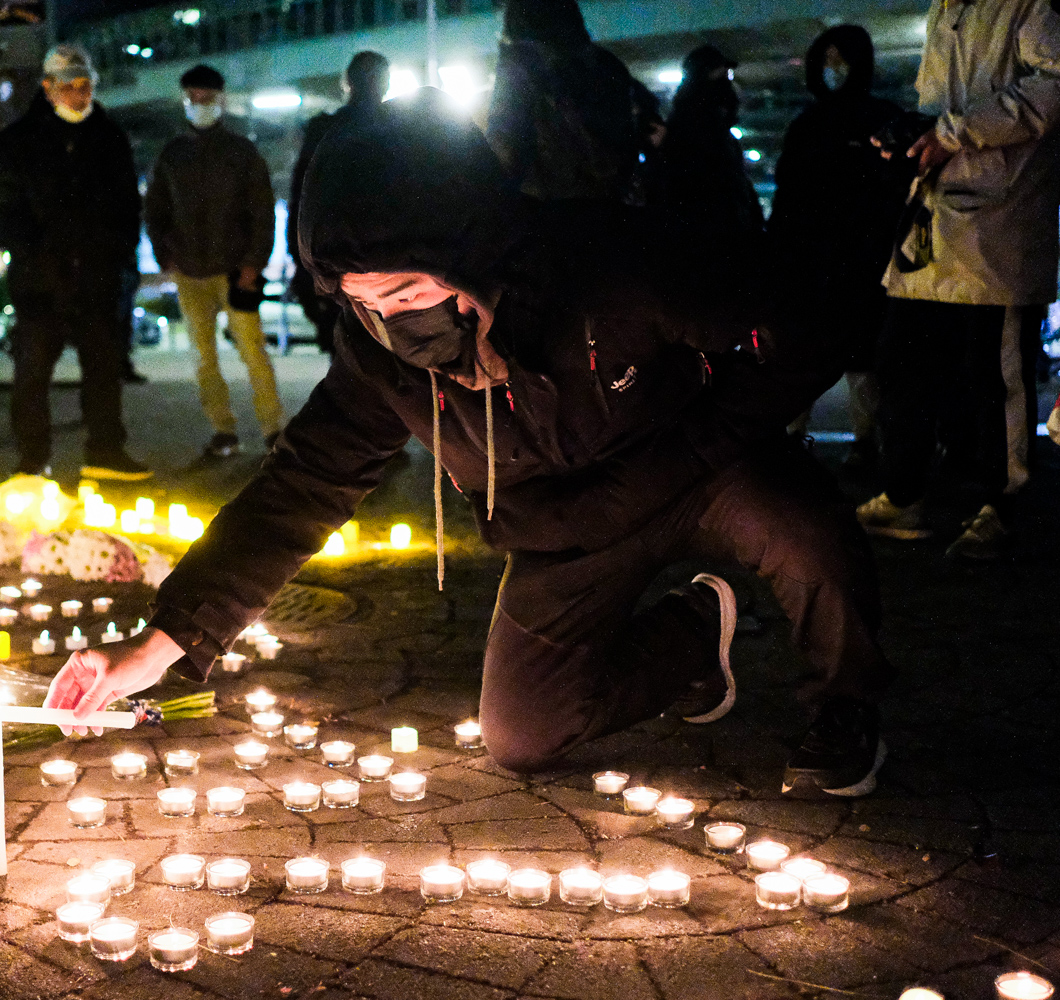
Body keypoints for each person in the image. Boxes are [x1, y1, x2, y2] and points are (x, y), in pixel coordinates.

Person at [45, 94, 896, 800]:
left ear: (474, 251)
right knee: (522, 734)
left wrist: (712, 437)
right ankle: (691, 638)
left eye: (411, 289)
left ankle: (845, 702)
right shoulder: (380, 357)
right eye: (365, 302)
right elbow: (299, 491)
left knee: (806, 534)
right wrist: (165, 644)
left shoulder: (610, 268)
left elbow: (801, 331)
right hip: (569, 526)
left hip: (705, 468)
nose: (395, 321)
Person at [859, 0, 1060, 559]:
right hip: (938, 217)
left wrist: (954, 132)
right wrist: (921, 133)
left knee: (992, 376)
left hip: (1002, 219)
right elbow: (944, 105)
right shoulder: (943, 10)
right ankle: (908, 492)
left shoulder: (1027, 5)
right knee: (903, 361)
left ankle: (1002, 506)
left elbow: (1056, 85)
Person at [0, 44, 151, 481]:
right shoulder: (17, 142)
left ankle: (105, 451)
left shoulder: (108, 137)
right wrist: (34, 247)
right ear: (48, 88)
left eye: (85, 85)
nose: (78, 94)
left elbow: (128, 206)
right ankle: (33, 459)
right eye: (68, 86)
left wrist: (117, 256)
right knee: (33, 372)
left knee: (104, 368)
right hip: (40, 279)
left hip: (97, 276)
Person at [769, 25, 909, 467]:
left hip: (851, 259)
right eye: (827, 61)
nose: (833, 71)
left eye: (840, 61)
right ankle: (821, 438)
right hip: (834, 259)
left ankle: (850, 439)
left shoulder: (814, 126)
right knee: (835, 352)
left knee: (848, 355)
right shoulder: (831, 123)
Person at [145, 64, 284, 459]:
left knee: (252, 351)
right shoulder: (173, 154)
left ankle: (274, 428)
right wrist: (165, 253)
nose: (198, 104)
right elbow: (155, 208)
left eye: (205, 97)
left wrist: (253, 264)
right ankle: (223, 430)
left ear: (220, 99)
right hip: (190, 270)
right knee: (203, 357)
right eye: (192, 97)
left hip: (235, 269)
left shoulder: (241, 152)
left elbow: (261, 211)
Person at [485, 0, 646, 203]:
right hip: (609, 205)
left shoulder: (520, 66)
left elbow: (506, 151)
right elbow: (628, 143)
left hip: (546, 212)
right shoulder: (607, 65)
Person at [288, 51, 391, 354]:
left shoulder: (324, 130)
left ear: (347, 82)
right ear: (385, 83)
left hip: (336, 259)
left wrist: (300, 257)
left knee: (345, 356)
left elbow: (302, 198)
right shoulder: (400, 130)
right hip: (389, 259)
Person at [650, 44, 764, 250]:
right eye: (722, 74)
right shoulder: (704, 125)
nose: (728, 81)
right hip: (715, 234)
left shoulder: (687, 123)